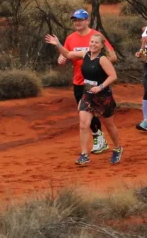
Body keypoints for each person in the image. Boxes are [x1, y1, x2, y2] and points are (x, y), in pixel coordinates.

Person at [44, 9, 117, 155]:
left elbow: (113, 57)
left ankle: (113, 143)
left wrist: (98, 62)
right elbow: (66, 55)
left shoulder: (96, 36)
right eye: (75, 20)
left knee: (102, 114)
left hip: (97, 82)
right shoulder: (71, 38)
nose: (77, 22)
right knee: (84, 113)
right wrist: (61, 58)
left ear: (87, 21)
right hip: (79, 81)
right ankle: (99, 138)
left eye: (80, 19)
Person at [75, 34, 123, 165]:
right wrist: (57, 45)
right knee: (84, 124)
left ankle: (117, 148)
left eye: (96, 42)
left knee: (109, 125)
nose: (93, 44)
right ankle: (84, 155)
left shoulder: (103, 59)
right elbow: (68, 54)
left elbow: (113, 76)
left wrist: (100, 87)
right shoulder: (86, 55)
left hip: (103, 97)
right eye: (91, 41)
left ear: (102, 45)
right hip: (88, 94)